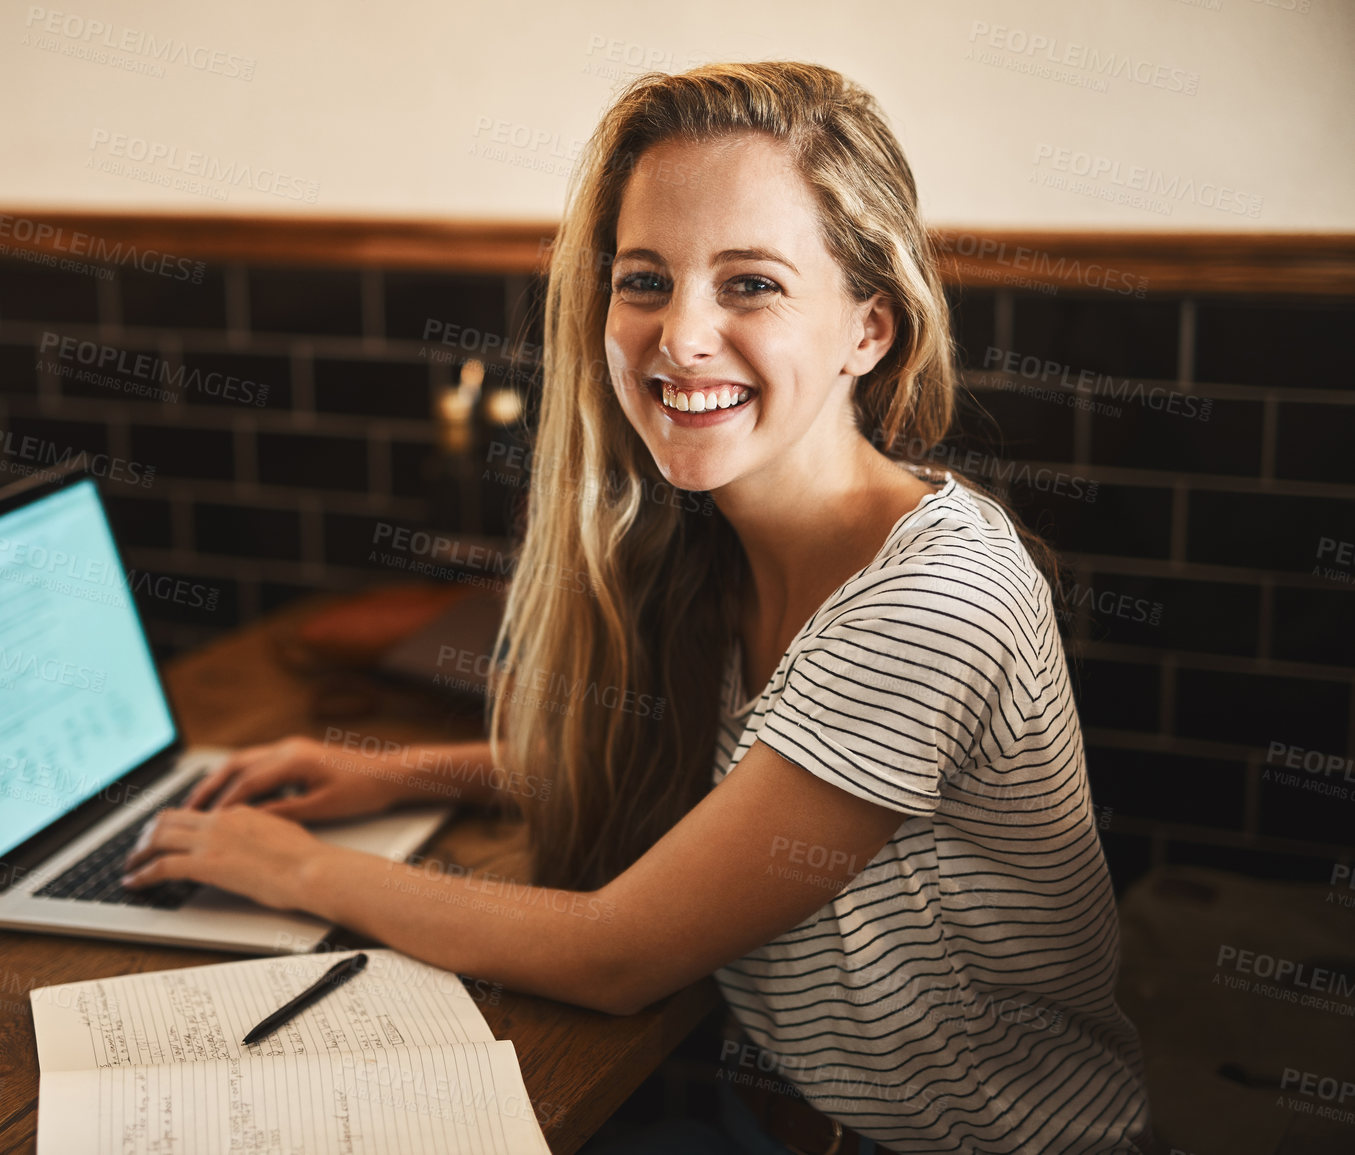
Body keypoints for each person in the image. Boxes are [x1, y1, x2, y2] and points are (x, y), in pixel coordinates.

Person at [122, 61, 1151, 1154]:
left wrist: (290, 869)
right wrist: (398, 772)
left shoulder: (929, 604)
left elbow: (618, 955)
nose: (679, 336)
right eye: (645, 279)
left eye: (750, 283)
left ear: (869, 330)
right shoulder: (722, 535)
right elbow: (745, 792)